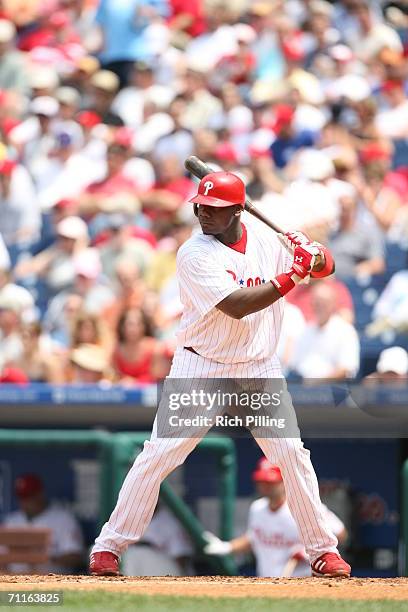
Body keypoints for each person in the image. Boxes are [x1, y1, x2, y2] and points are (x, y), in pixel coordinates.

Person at [90, 170, 351, 578]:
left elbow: (327, 268)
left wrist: (313, 253)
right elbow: (239, 304)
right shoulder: (194, 253)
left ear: (237, 211)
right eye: (199, 206)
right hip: (203, 364)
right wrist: (294, 273)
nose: (201, 213)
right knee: (159, 454)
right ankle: (109, 545)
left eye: (213, 208)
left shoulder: (267, 238)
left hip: (257, 365)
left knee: (291, 455)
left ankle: (321, 549)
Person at [204, 458, 347, 577]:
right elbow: (253, 537)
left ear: (284, 481)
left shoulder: (304, 508)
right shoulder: (257, 508)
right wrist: (227, 547)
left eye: (270, 482)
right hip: (267, 581)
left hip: (301, 582)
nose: (265, 486)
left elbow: (341, 533)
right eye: (262, 482)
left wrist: (311, 551)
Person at [2, 474, 84, 574]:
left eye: (29, 496)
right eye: (22, 497)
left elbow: (76, 556)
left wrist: (46, 559)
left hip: (51, 580)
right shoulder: (11, 521)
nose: (26, 502)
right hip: (15, 580)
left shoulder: (63, 519)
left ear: (40, 494)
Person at [290, 282, 360, 380]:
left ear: (333, 304)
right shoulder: (305, 330)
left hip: (333, 388)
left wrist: (317, 382)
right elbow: (294, 365)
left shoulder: (346, 331)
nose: (319, 307)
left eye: (324, 303)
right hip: (303, 387)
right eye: (316, 303)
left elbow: (346, 369)